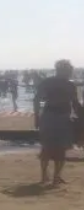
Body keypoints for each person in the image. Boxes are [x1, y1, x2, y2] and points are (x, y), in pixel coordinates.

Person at [34, 59, 81, 187]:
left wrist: (36, 117)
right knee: (58, 148)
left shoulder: (48, 82)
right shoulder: (69, 85)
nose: (70, 72)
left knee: (49, 147)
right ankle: (54, 177)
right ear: (63, 70)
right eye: (69, 70)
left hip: (50, 117)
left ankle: (48, 176)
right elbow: (75, 104)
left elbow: (37, 100)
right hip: (60, 118)